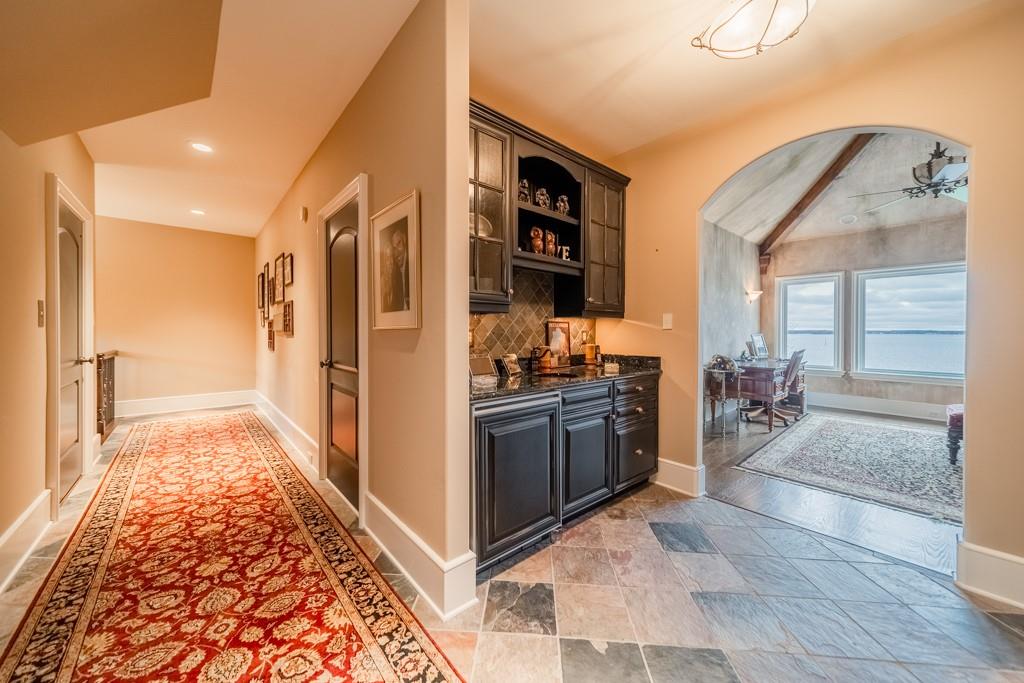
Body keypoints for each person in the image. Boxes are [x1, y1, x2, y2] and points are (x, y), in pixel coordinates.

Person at [384, 225, 409, 312]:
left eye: (399, 244)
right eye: (394, 248)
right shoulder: (394, 272)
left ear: (405, 239)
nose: (397, 252)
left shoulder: (411, 264)